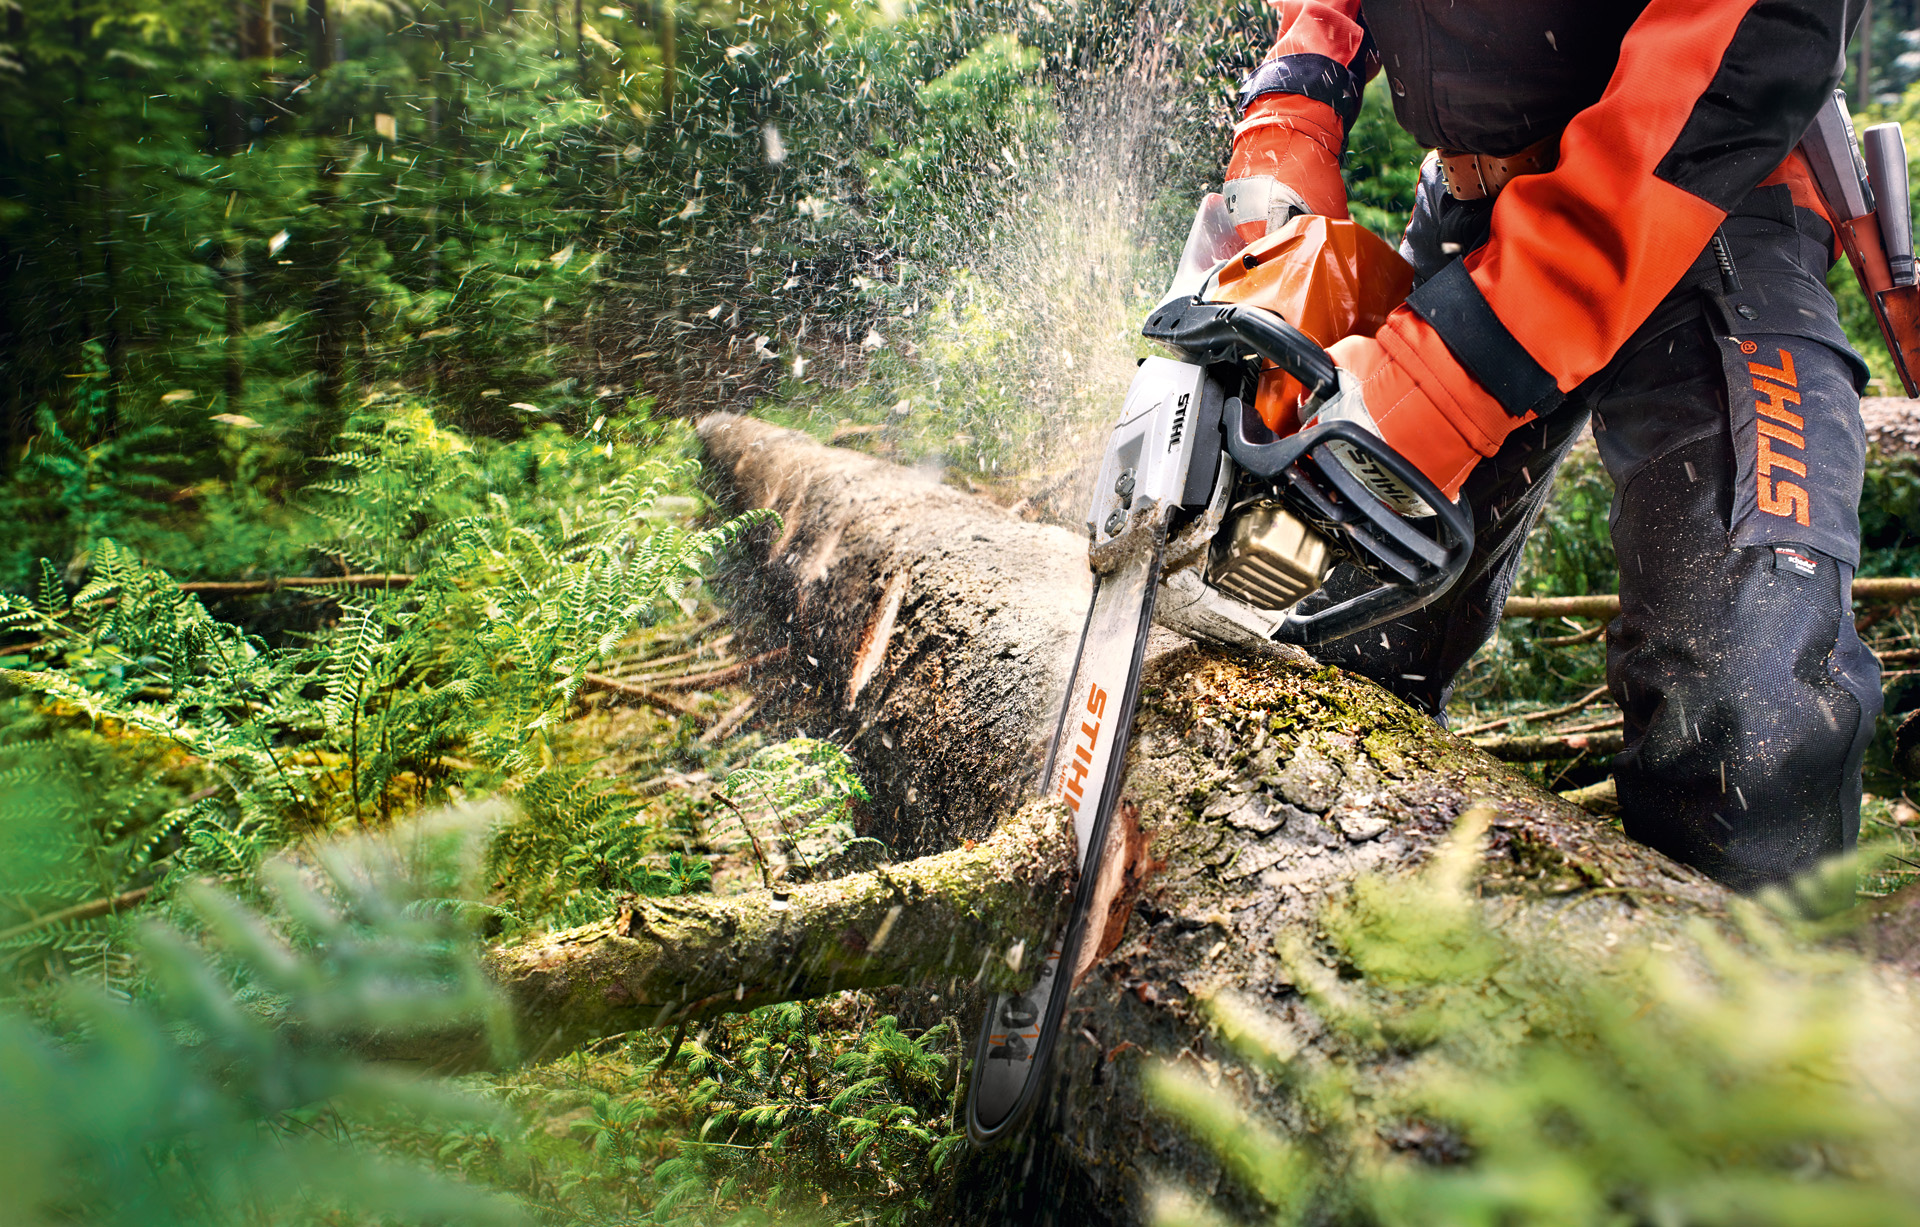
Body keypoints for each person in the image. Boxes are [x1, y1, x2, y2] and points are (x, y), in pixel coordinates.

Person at [1222, 0, 1881, 892]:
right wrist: (1296, 108)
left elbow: (1757, 27)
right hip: (1476, 209)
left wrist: (1450, 376)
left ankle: (1743, 1010)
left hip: (1711, 196)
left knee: (1749, 722)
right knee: (1343, 630)